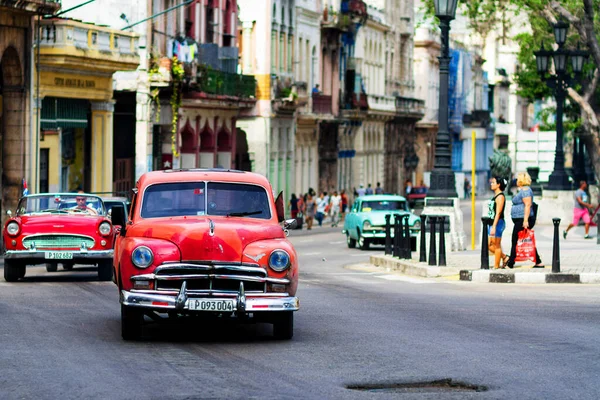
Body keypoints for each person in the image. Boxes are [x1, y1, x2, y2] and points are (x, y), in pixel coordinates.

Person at [506, 172, 544, 269]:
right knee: (526, 239)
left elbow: (527, 205)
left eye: (518, 179)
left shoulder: (526, 191)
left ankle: (511, 262)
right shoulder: (523, 190)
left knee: (515, 239)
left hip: (523, 219)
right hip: (520, 219)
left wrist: (525, 220)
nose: (516, 181)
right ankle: (538, 261)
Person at [487, 177, 509, 269]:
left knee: (496, 245)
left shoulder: (500, 197)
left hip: (498, 223)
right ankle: (504, 257)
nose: (491, 184)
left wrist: (494, 226)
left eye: (493, 182)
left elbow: (498, 213)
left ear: (498, 184)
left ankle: (496, 266)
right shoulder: (496, 196)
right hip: (492, 223)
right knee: (489, 245)